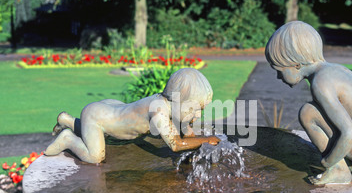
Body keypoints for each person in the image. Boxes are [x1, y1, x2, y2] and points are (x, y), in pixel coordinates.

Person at [265, 21, 352, 185]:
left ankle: (339, 170)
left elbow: (349, 132)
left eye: (279, 71)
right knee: (321, 112)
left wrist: (328, 162)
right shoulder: (337, 69)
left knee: (308, 112)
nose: (278, 77)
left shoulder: (320, 83)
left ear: (296, 64)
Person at [44, 68, 220, 164]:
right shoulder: (158, 111)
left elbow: (187, 132)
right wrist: (206, 140)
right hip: (98, 116)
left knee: (97, 134)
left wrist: (198, 146)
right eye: (193, 109)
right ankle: (67, 139)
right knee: (96, 157)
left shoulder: (170, 104)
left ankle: (67, 119)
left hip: (111, 109)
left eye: (200, 110)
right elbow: (176, 145)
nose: (196, 115)